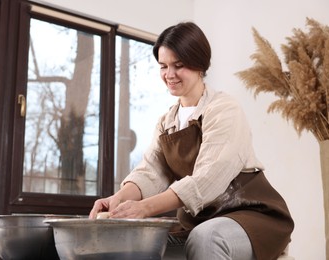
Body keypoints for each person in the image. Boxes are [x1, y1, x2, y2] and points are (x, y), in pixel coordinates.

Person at [89, 21, 294, 260]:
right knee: (142, 242)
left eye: (179, 65)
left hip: (250, 214)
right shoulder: (166, 121)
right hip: (200, 220)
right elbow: (150, 172)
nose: (169, 75)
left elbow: (207, 179)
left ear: (200, 65)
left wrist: (144, 208)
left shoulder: (224, 109)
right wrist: (117, 200)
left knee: (206, 237)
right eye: (163, 66)